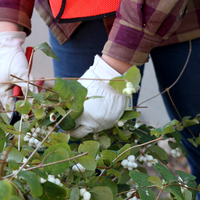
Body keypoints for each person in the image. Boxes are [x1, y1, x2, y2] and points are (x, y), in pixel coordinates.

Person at [0, 0, 200, 198]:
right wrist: (6, 32)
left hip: (185, 13)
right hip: (79, 15)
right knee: (83, 160)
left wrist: (112, 69)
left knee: (197, 133)